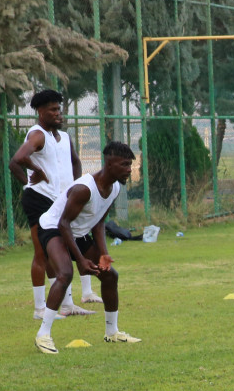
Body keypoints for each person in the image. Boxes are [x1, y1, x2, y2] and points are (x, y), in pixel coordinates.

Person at [34, 142, 140, 354]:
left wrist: (104, 254)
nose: (130, 169)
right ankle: (43, 335)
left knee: (110, 276)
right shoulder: (84, 189)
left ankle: (112, 332)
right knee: (65, 273)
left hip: (77, 232)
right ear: (110, 164)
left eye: (131, 164)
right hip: (53, 229)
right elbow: (64, 223)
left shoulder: (115, 187)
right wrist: (81, 260)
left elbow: (99, 222)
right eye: (125, 165)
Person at [9, 89, 95, 322]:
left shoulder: (64, 137)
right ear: (40, 111)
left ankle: (66, 304)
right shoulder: (38, 135)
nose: (58, 113)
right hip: (39, 199)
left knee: (62, 251)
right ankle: (39, 308)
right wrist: (33, 175)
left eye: (59, 109)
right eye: (53, 110)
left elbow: (75, 161)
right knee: (42, 253)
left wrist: (76, 187)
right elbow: (17, 160)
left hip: (60, 200)